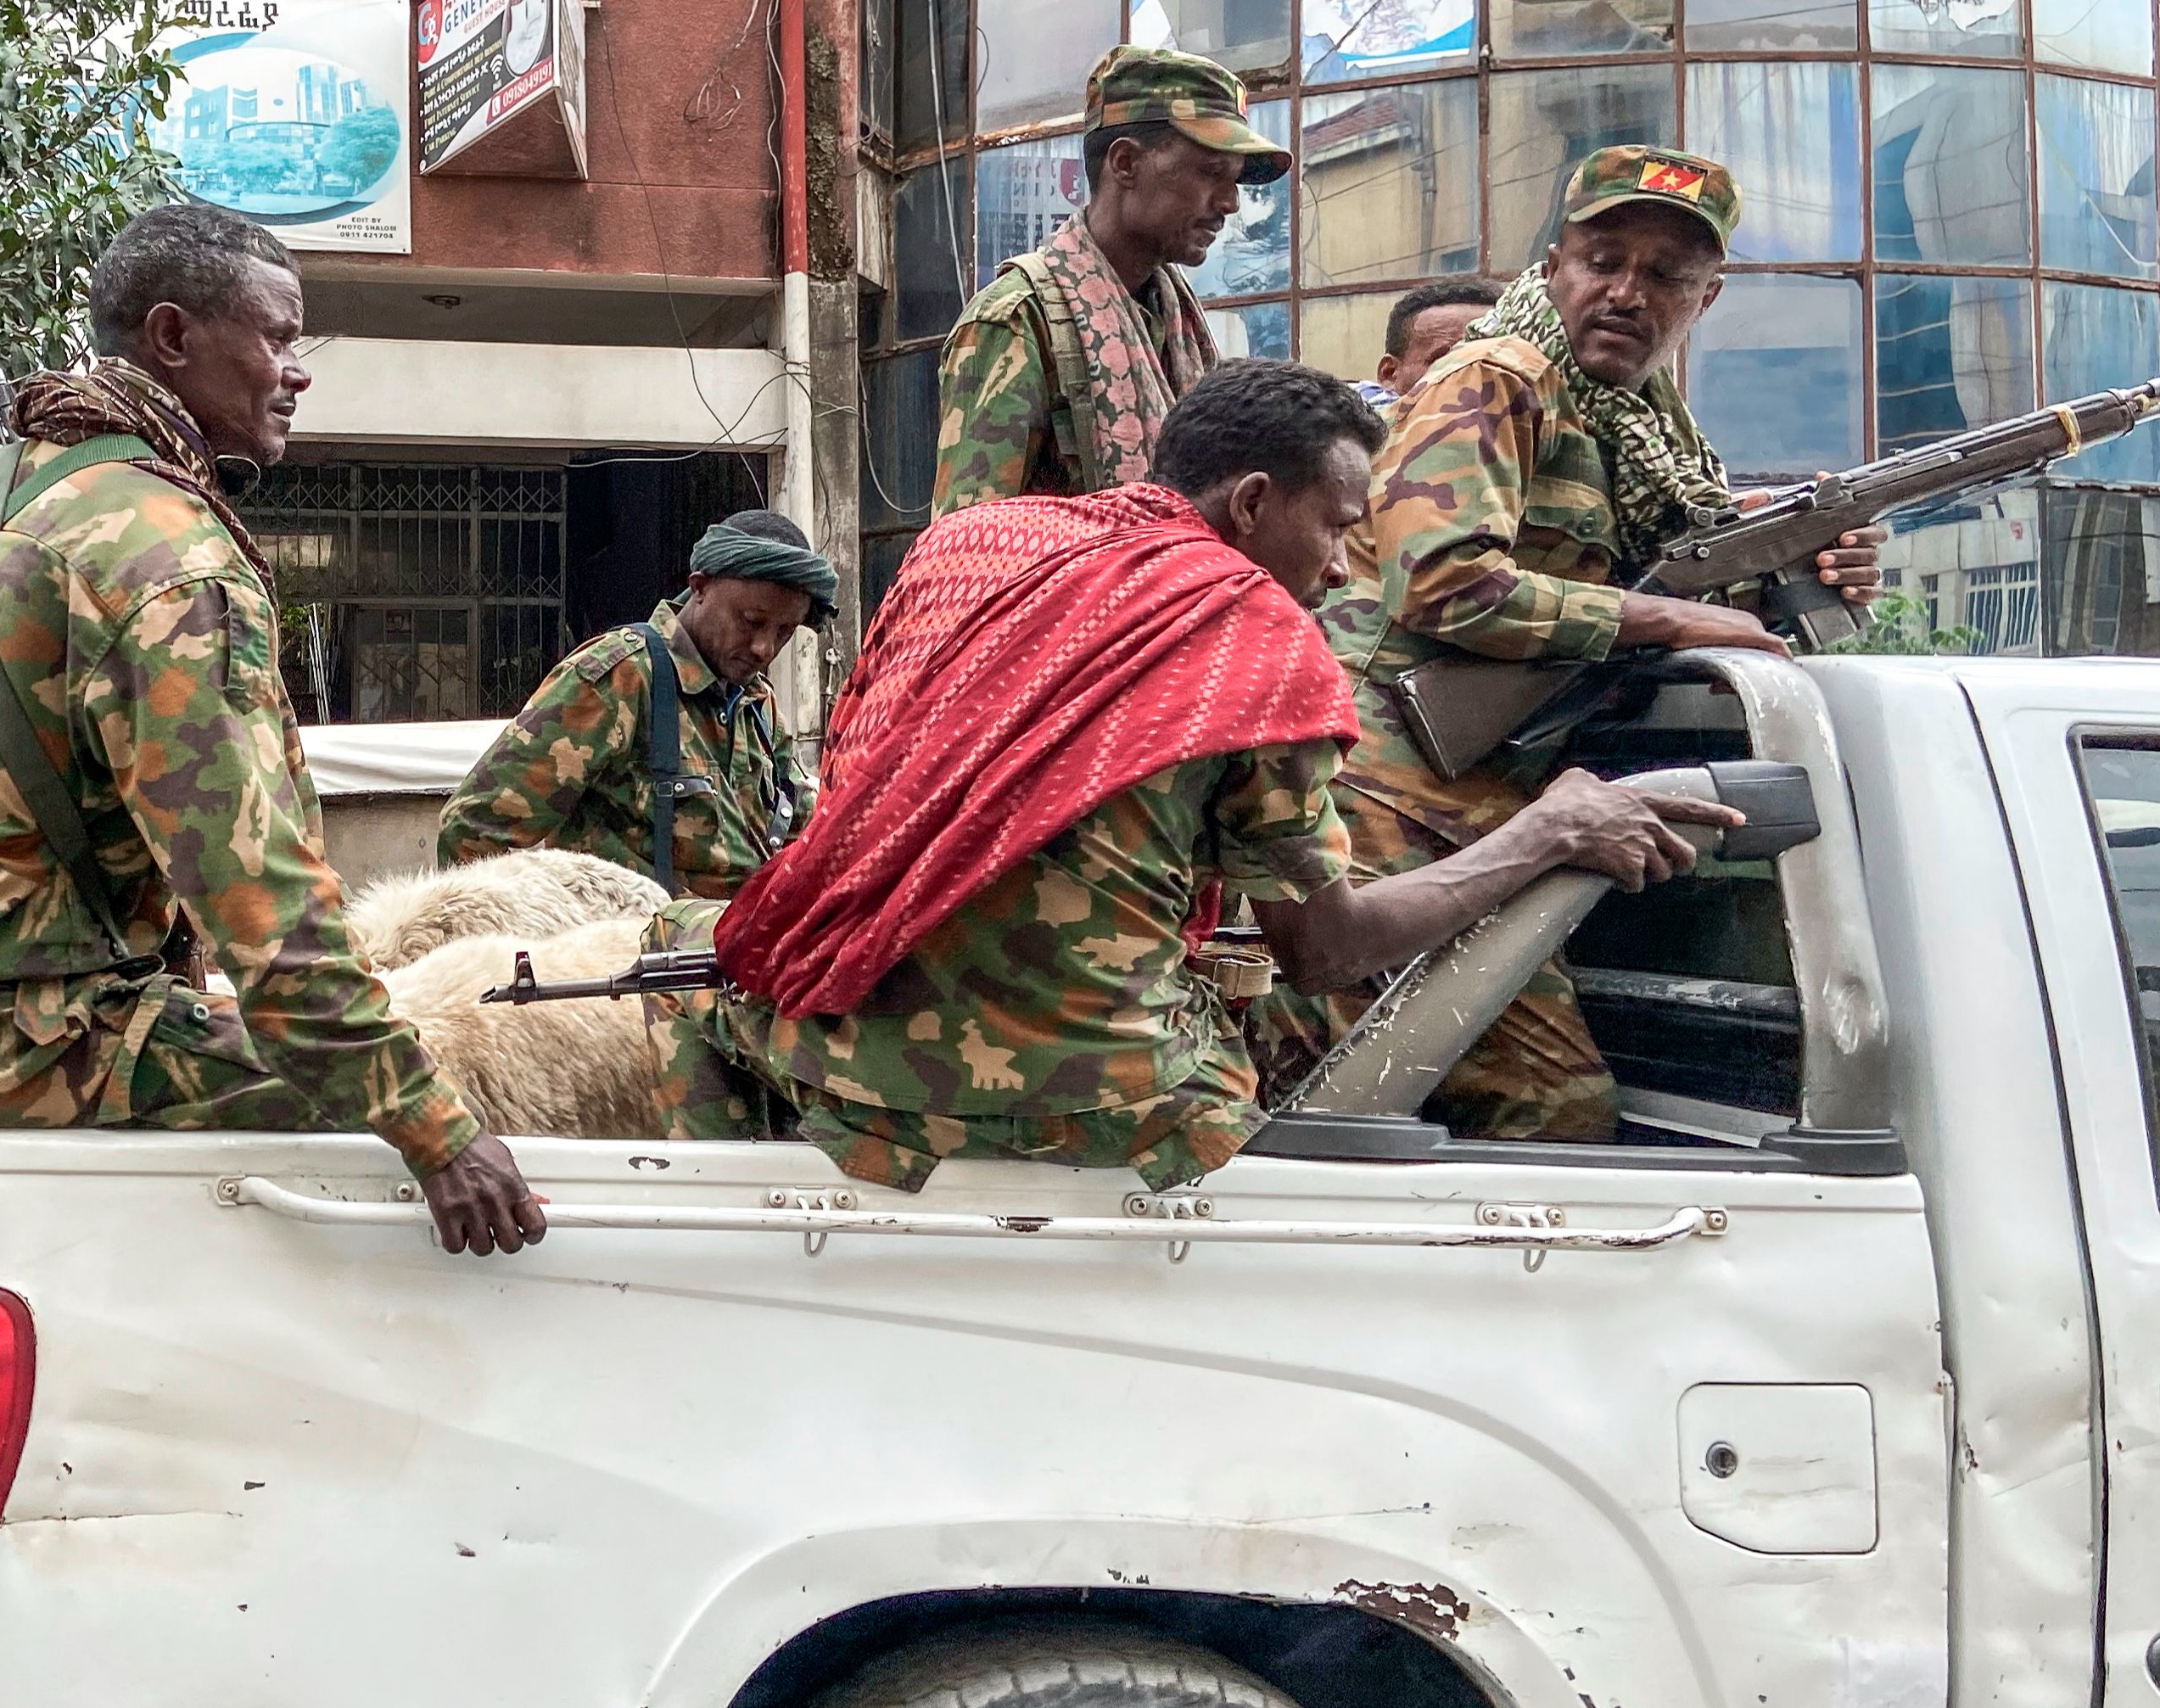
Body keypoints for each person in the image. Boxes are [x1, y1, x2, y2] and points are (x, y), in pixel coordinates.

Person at [0, 204, 545, 1707]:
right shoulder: (167, 555)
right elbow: (273, 915)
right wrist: (436, 1130)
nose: (299, 371)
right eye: (280, 334)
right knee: (343, 1108)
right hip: (2, 1033)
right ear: (174, 340)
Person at [653, 361, 1746, 1191]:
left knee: (679, 956)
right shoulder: (1257, 643)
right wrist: (1548, 831)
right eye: (1336, 528)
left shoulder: (968, 550)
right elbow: (1327, 948)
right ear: (1252, 503)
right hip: (1104, 1113)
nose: (1341, 566)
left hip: (835, 1065)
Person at [1254, 147, 1887, 1140]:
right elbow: (1445, 581)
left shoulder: (1645, 431)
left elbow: (1665, 565)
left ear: (1705, 298)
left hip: (1481, 792)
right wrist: (1676, 619)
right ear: (1553, 268)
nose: (1628, 292)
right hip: (1379, 785)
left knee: (1416, 1101)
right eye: (1603, 260)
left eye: (1665, 275)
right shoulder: (1499, 375)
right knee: (1457, 1105)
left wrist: (1806, 567)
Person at [926, 47, 1290, 518]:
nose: (1230, 202)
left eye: (1236, 181)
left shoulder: (1181, 328)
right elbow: (969, 554)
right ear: (1125, 164)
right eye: (1212, 173)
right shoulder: (1019, 321)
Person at [436, 510, 830, 899]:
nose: (765, 648)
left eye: (784, 631)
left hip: (744, 950)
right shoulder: (621, 679)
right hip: (633, 947)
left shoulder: (757, 703)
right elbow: (471, 830)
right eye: (751, 620)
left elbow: (805, 827)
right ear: (699, 588)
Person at [1356, 277, 1502, 412]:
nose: (1471, 374)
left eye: (1490, 361)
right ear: (1389, 373)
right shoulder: (1352, 428)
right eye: (1444, 361)